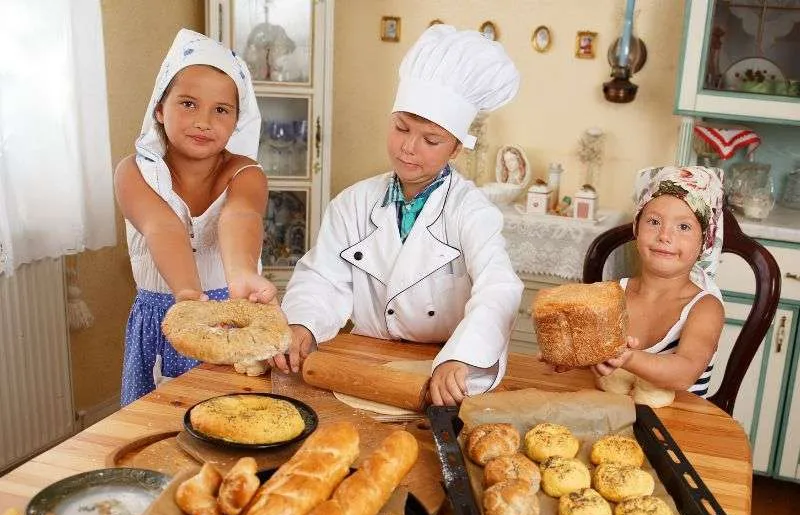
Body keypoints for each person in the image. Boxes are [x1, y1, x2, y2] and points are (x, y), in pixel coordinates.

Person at [272, 25, 524, 406]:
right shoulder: (352, 203)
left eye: (431, 140)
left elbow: (498, 288)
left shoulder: (473, 212)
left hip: (441, 367)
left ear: (456, 149)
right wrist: (302, 324)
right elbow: (323, 277)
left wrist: (461, 357)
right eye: (401, 128)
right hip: (364, 360)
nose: (408, 147)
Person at [115, 29, 276, 406]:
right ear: (159, 108)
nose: (204, 121)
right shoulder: (134, 172)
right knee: (155, 432)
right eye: (188, 103)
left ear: (237, 120)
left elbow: (240, 215)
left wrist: (241, 275)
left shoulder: (246, 172)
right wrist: (187, 295)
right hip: (162, 325)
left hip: (231, 327)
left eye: (221, 110)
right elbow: (162, 225)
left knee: (231, 421)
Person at [560, 166, 725, 395]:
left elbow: (685, 373)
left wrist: (627, 357)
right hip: (609, 419)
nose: (665, 236)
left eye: (684, 227)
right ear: (637, 227)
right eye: (654, 222)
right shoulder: (611, 295)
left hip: (680, 426)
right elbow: (587, 356)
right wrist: (564, 354)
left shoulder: (705, 308)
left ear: (704, 242)